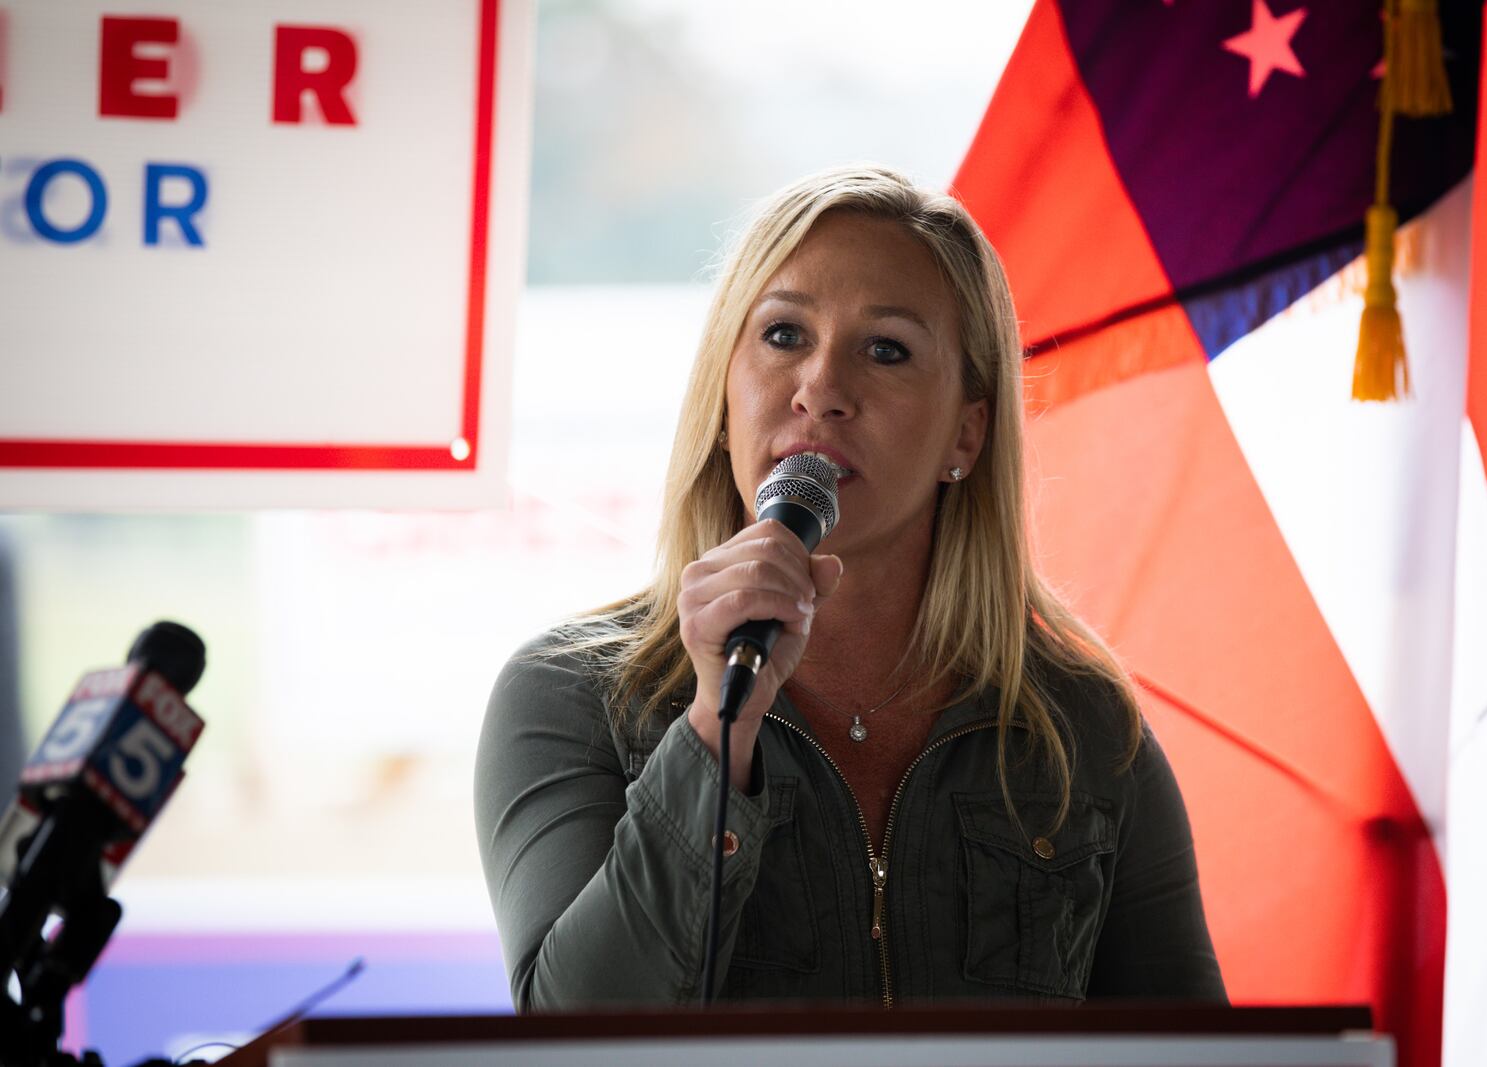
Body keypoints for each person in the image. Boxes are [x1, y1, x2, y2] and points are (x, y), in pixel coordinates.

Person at [474, 164, 1225, 1010]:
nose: (822, 389)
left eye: (886, 350)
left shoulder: (1081, 728)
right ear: (725, 400)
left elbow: (1192, 1052)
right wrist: (716, 737)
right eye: (784, 335)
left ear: (966, 436)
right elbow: (571, 1041)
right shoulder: (572, 695)